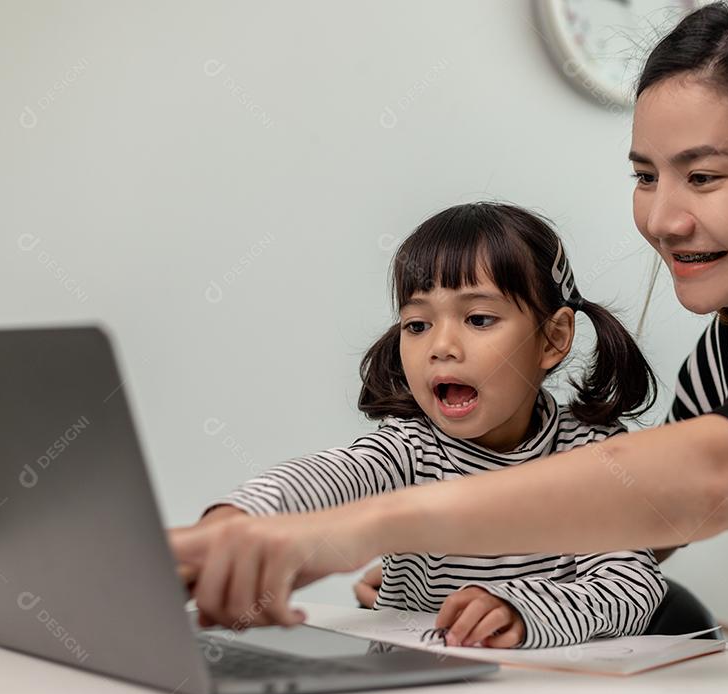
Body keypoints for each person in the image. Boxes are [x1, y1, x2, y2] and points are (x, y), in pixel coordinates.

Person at [171, 0, 728, 658]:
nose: (661, 219)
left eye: (702, 178)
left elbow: (714, 477)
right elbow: (629, 526)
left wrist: (345, 533)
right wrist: (263, 530)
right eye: (644, 176)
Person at [186, 201, 667, 649]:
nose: (441, 346)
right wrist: (238, 517)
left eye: (478, 319)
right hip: (410, 689)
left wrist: (522, 611)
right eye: (417, 325)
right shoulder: (409, 448)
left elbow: (631, 585)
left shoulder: (591, 452)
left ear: (553, 338)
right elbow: (330, 477)